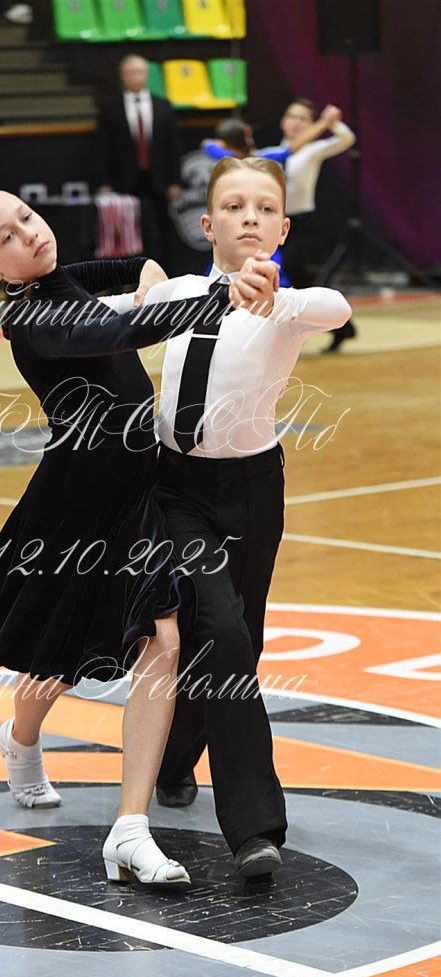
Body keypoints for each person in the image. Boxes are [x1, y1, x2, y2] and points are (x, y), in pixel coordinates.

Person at [0, 188, 246, 887]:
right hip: (78, 502)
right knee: (57, 654)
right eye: (6, 237)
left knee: (163, 639)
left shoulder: (61, 278)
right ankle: (20, 739)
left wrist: (147, 273)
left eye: (26, 217)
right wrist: (217, 298)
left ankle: (130, 827)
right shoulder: (34, 318)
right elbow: (120, 334)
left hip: (138, 488)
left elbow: (127, 266)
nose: (29, 233)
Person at [127, 158, 351, 877]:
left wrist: (279, 298)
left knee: (236, 639)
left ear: (282, 228)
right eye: (233, 206)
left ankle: (175, 759)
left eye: (264, 207)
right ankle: (255, 827)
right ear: (207, 223)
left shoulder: (289, 304)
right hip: (177, 490)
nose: (248, 216)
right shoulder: (179, 292)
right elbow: (115, 323)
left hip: (254, 489)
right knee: (221, 628)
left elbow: (337, 308)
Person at [261, 99, 357, 351]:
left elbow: (347, 139)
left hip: (302, 224)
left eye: (303, 118)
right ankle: (343, 329)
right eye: (292, 116)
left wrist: (331, 122)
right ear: (283, 121)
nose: (296, 122)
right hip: (275, 225)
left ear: (311, 124)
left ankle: (293, 331)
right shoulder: (272, 152)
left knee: (289, 269)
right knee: (300, 280)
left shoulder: (312, 150)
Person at [95, 54, 181, 268]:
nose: (135, 77)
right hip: (124, 179)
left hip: (158, 178)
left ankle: (162, 270)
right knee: (129, 229)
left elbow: (173, 146)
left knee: (160, 227)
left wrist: (174, 180)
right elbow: (102, 147)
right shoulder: (110, 107)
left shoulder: (162, 105)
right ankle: (132, 272)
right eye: (130, 73)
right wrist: (105, 181)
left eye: (139, 72)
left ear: (146, 75)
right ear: (122, 76)